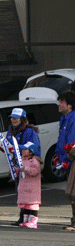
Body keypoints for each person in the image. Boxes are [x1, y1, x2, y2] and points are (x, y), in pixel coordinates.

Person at [54, 90, 75, 230]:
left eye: (62, 101)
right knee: (71, 194)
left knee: (73, 193)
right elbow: (62, 141)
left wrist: (68, 158)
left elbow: (72, 143)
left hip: (72, 161)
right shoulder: (64, 118)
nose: (59, 104)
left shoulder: (73, 119)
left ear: (70, 105)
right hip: (67, 161)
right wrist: (58, 155)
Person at [14, 142, 42, 229]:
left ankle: (33, 221)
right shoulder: (22, 160)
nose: (22, 151)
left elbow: (35, 171)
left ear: (31, 152)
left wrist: (25, 169)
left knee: (32, 205)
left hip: (32, 188)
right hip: (24, 187)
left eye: (25, 149)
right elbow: (20, 172)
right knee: (25, 204)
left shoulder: (34, 161)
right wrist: (16, 170)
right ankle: (25, 220)